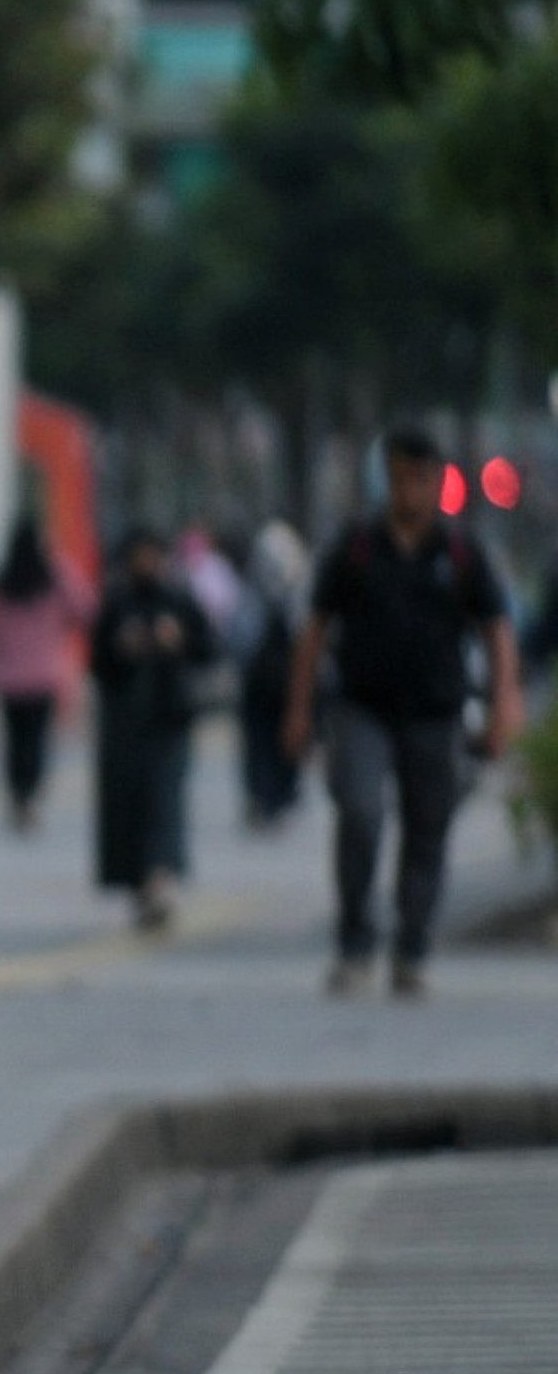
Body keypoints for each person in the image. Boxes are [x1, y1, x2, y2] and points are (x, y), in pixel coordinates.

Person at [284, 426, 523, 997]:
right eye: (398, 478)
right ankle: (355, 943)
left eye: (420, 478)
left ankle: (411, 946)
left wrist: (502, 703)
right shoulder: (355, 548)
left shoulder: (461, 553)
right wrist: (298, 709)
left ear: (437, 479)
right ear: (384, 478)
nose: (409, 490)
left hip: (436, 712)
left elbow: (497, 631)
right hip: (361, 707)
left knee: (428, 829)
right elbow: (314, 630)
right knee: (360, 816)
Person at [90, 528, 217, 931]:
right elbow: (96, 660)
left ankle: (159, 879)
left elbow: (209, 648)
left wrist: (177, 639)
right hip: (125, 722)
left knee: (165, 801)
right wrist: (120, 647)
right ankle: (140, 885)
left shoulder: (179, 600)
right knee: (130, 805)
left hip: (169, 718)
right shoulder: (118, 602)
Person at [0, 518, 87, 832]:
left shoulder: (0, 580)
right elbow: (84, 608)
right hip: (44, 675)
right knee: (36, 742)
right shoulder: (53, 577)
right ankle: (29, 796)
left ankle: (17, 793)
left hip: (8, 677)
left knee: (14, 741)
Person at [232, 522, 310, 829]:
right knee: (259, 742)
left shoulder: (299, 591)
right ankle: (263, 797)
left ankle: (281, 796)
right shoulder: (252, 593)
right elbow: (240, 636)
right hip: (259, 682)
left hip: (287, 681)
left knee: (285, 740)